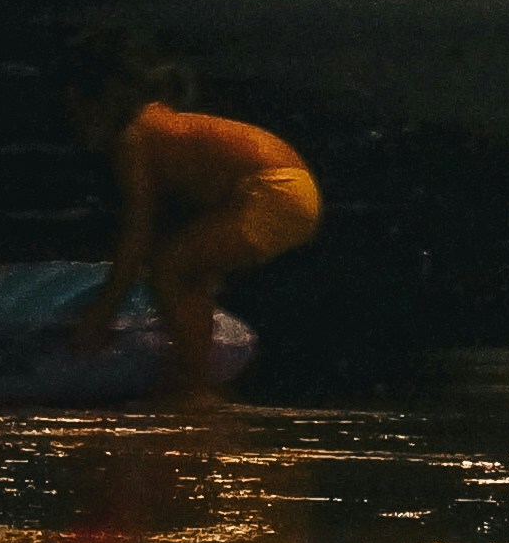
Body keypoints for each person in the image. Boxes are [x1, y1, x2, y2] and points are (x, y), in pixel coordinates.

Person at [60, 35, 322, 396]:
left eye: (77, 111)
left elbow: (137, 232)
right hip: (294, 188)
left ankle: (193, 382)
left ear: (98, 103)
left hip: (272, 190)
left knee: (170, 265)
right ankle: (193, 374)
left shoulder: (134, 137)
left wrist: (102, 314)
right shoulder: (159, 123)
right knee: (189, 273)